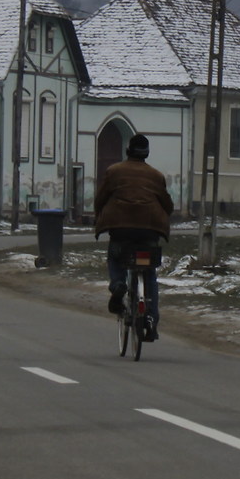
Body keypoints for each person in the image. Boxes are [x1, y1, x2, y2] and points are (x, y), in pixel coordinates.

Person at [92, 133, 172, 331]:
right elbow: (167, 205)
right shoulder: (156, 175)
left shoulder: (114, 171)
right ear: (147, 153)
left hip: (121, 228)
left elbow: (100, 198)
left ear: (128, 150)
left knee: (115, 256)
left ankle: (118, 283)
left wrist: (98, 214)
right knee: (149, 273)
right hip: (150, 230)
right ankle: (151, 319)